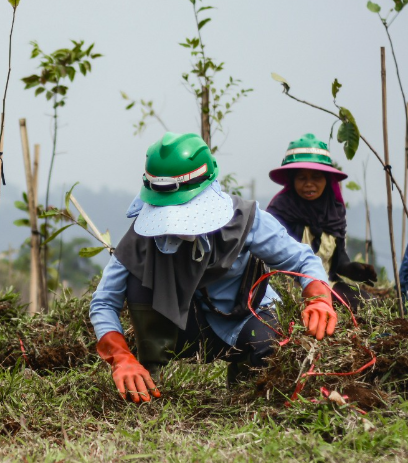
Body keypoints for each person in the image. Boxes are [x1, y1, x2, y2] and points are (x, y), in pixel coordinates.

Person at [89, 132, 336, 403]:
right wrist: (120, 357)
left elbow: (302, 260)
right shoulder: (140, 237)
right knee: (136, 282)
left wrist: (319, 299)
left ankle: (246, 375)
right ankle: (149, 376)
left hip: (243, 317)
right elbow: (103, 302)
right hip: (183, 327)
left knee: (269, 344)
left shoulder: (244, 220)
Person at [267, 133, 376, 311]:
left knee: (367, 303)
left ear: (327, 179)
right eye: (302, 178)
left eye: (316, 177)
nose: (309, 184)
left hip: (326, 284)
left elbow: (338, 260)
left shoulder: (334, 211)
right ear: (292, 180)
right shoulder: (281, 210)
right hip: (287, 287)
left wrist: (352, 269)